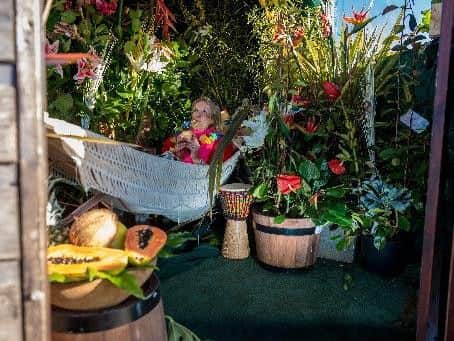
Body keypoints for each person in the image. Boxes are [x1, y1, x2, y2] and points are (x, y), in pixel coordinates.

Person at [161, 97, 234, 164]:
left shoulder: (221, 142)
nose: (198, 115)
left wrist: (195, 158)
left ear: (212, 119)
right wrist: (177, 152)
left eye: (204, 111)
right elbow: (165, 149)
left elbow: (217, 173)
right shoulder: (185, 133)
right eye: (196, 110)